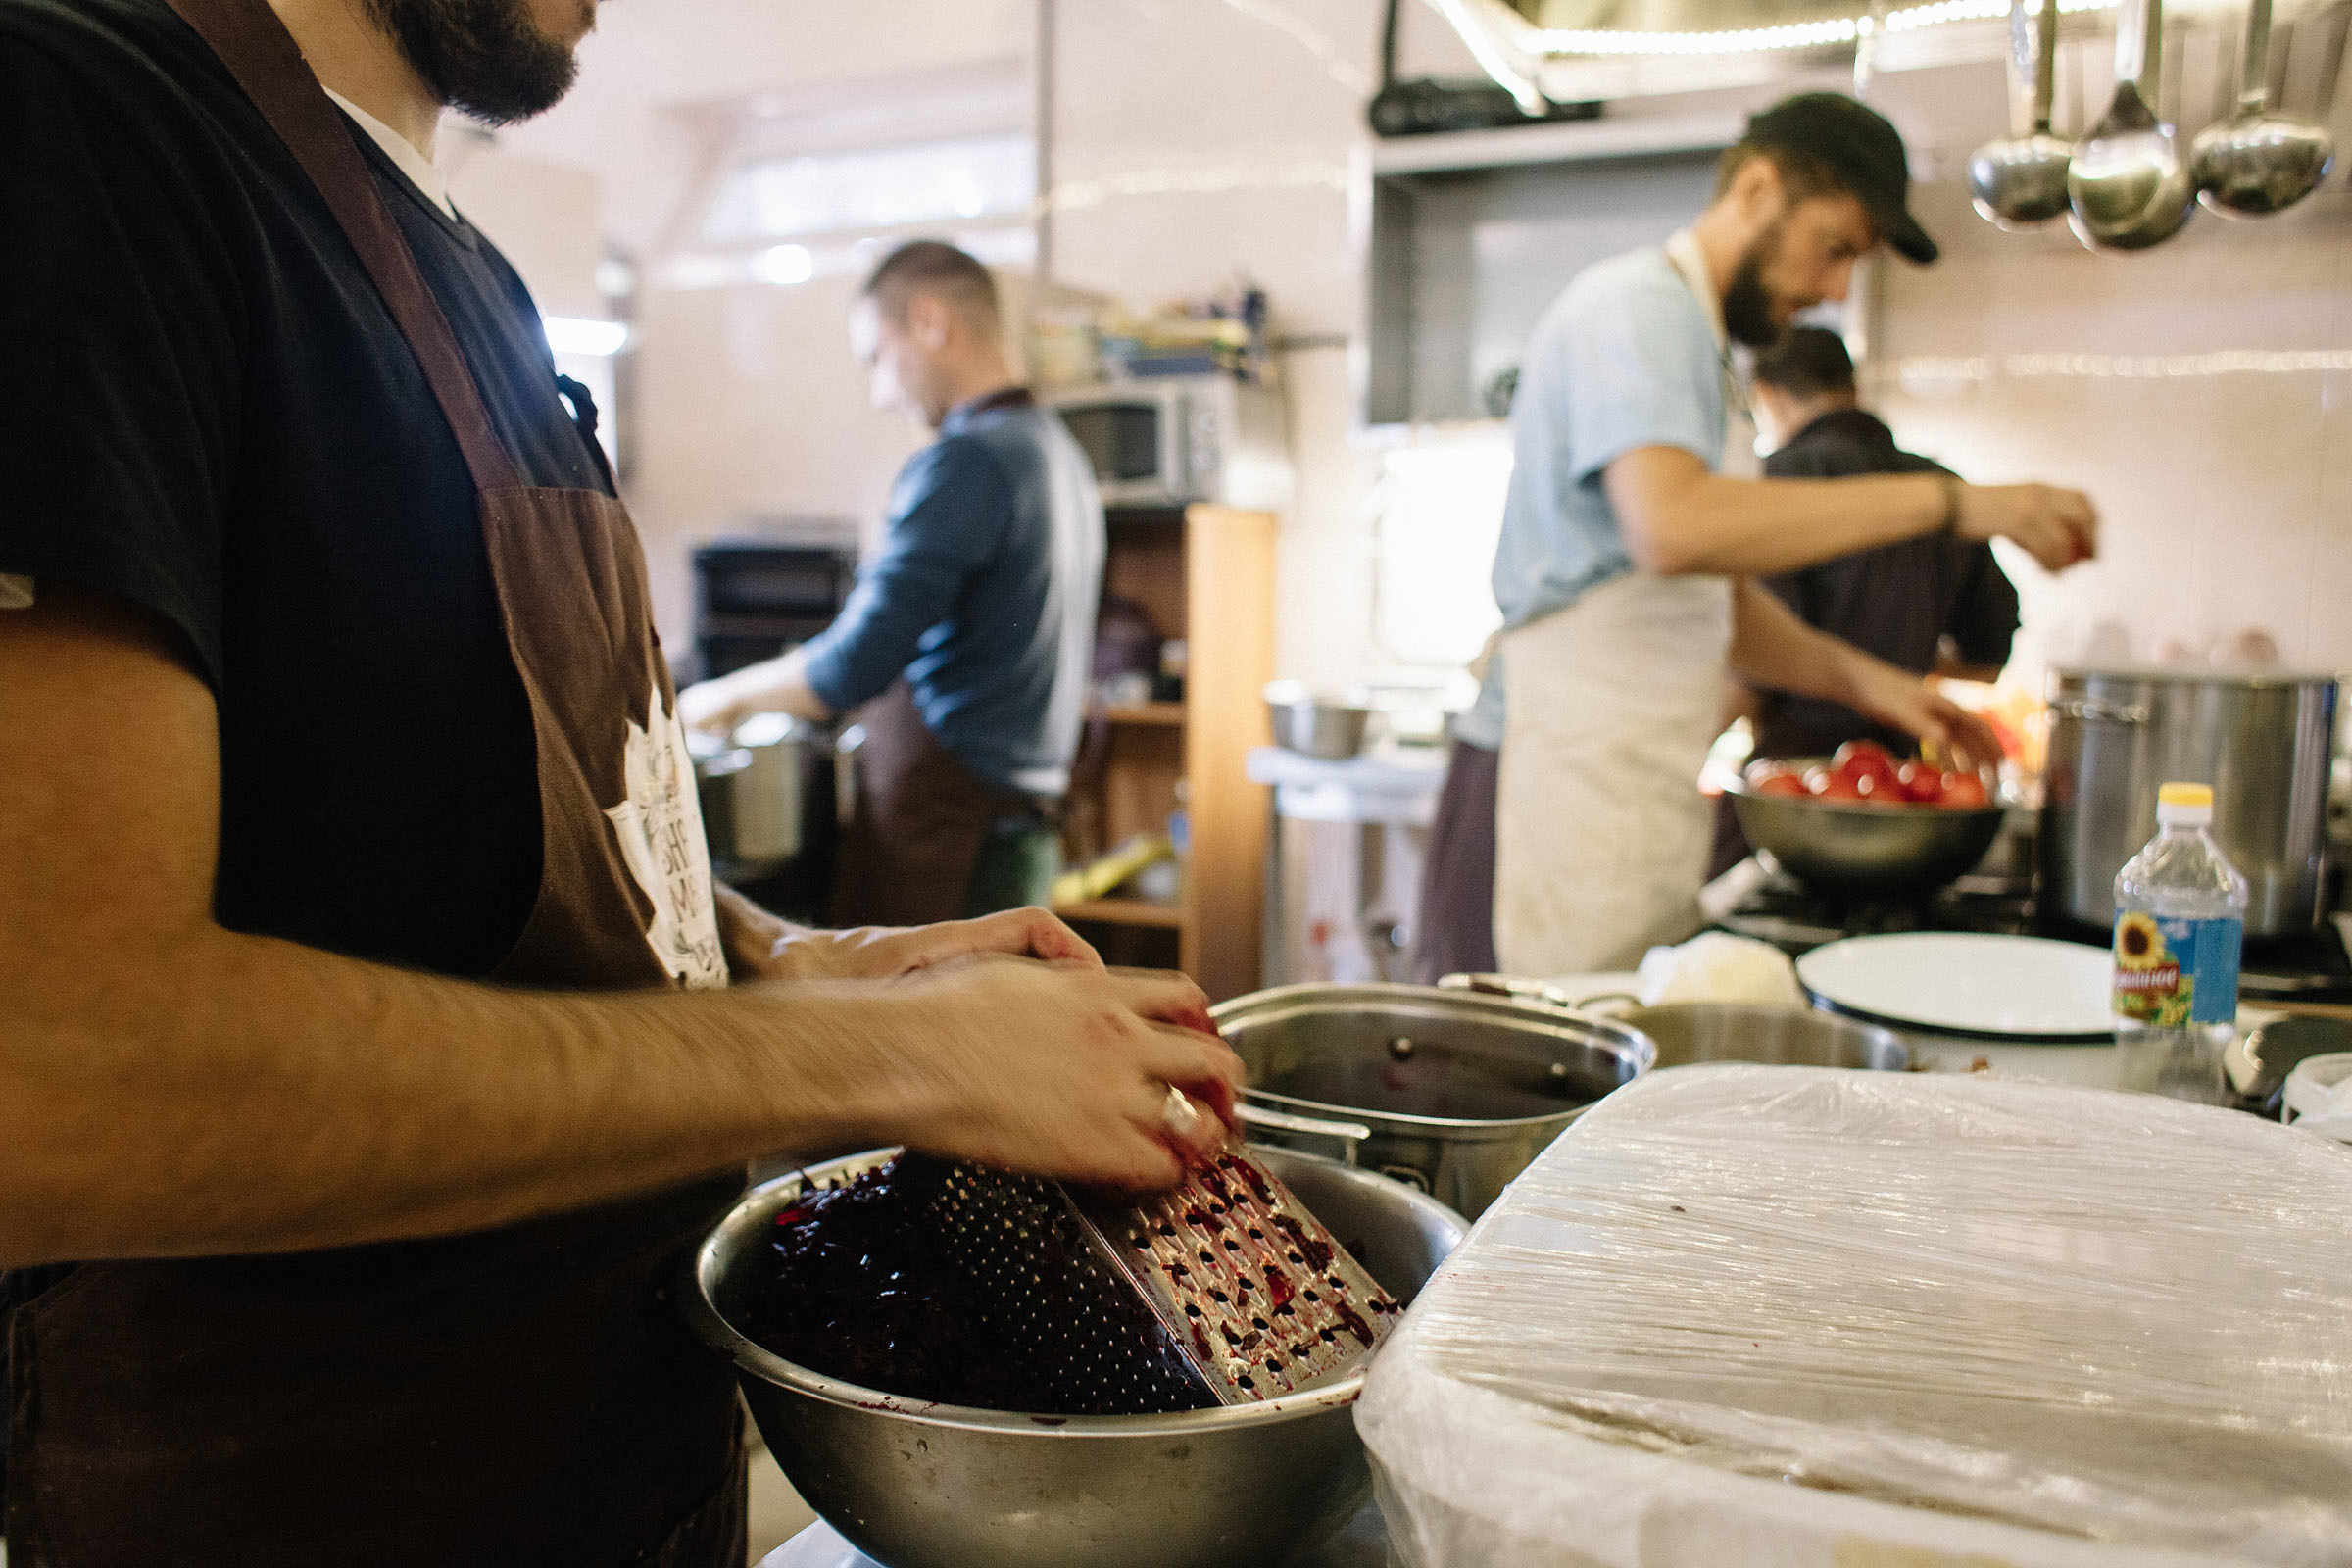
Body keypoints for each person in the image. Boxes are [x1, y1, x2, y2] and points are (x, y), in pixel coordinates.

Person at [0, 0, 1237, 1560]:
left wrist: (793, 956)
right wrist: (865, 1058)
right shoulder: (77, 125)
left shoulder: (458, 262)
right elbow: (52, 1081)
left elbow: (492, 817)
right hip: (318, 1485)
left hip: (611, 1449)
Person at [1413, 92, 2097, 983]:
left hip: (1623, 780)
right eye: (1837, 248)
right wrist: (1948, 504)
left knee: (1605, 1059)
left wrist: (1878, 686)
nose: (1836, 290)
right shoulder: (1639, 307)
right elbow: (1672, 528)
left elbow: (1706, 600)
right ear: (1759, 189)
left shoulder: (1702, 352)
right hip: (1545, 777)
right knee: (1526, 1082)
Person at [680, 243, 1103, 927]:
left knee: (929, 1036)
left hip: (955, 850)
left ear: (931, 324)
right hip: (1017, 839)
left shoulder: (966, 462)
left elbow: (855, 663)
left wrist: (719, 699)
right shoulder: (1055, 451)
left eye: (877, 357)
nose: (881, 395)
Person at [1745, 325, 2019, 760]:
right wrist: (1903, 659)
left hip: (1789, 785)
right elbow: (1988, 658)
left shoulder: (1776, 483)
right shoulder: (1941, 488)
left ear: (1768, 395)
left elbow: (1748, 660)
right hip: (1903, 781)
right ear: (1850, 388)